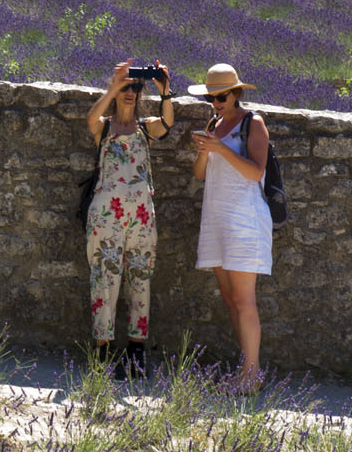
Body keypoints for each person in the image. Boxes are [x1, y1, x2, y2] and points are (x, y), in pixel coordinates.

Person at [84, 58, 174, 377]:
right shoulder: (106, 127)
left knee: (140, 281)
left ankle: (136, 357)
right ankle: (103, 355)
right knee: (104, 281)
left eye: (136, 87)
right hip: (106, 218)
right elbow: (91, 118)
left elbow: (167, 124)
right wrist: (114, 86)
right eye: (127, 87)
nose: (130, 93)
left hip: (140, 220)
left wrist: (164, 91)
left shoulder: (145, 128)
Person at [189, 63, 273, 394]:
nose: (216, 102)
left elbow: (255, 172)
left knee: (244, 300)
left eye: (221, 96)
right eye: (211, 96)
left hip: (245, 221)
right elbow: (200, 174)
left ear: (236, 93)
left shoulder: (254, 124)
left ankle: (251, 377)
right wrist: (203, 150)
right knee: (229, 297)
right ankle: (246, 371)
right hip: (217, 219)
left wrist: (220, 148)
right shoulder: (214, 124)